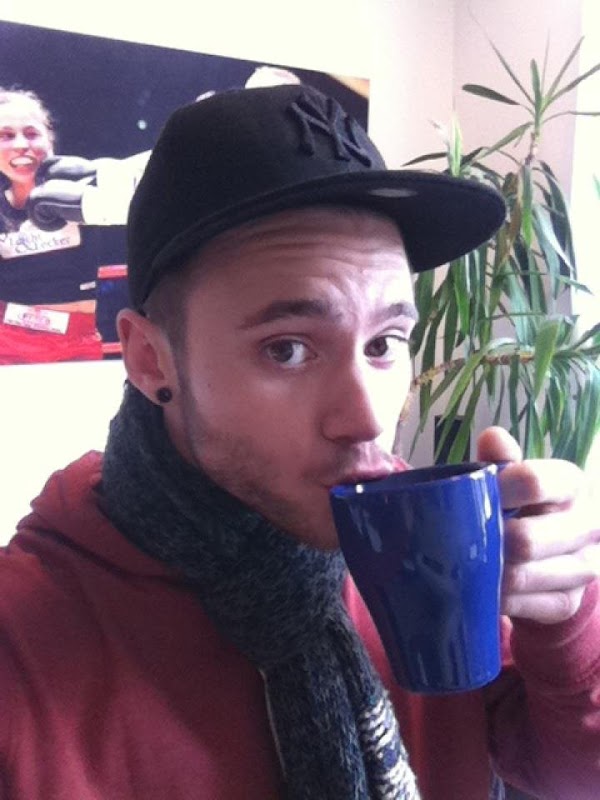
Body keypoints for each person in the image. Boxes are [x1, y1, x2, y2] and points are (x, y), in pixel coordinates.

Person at [0, 83, 598, 800]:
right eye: (287, 349)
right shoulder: (23, 645)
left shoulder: (425, 546)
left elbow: (574, 774)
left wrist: (567, 621)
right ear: (151, 360)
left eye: (384, 343)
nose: (368, 420)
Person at [0, 87, 103, 364]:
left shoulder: (84, 188)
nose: (21, 144)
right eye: (6, 136)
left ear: (49, 139)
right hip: (6, 343)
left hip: (77, 339)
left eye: (31, 133)